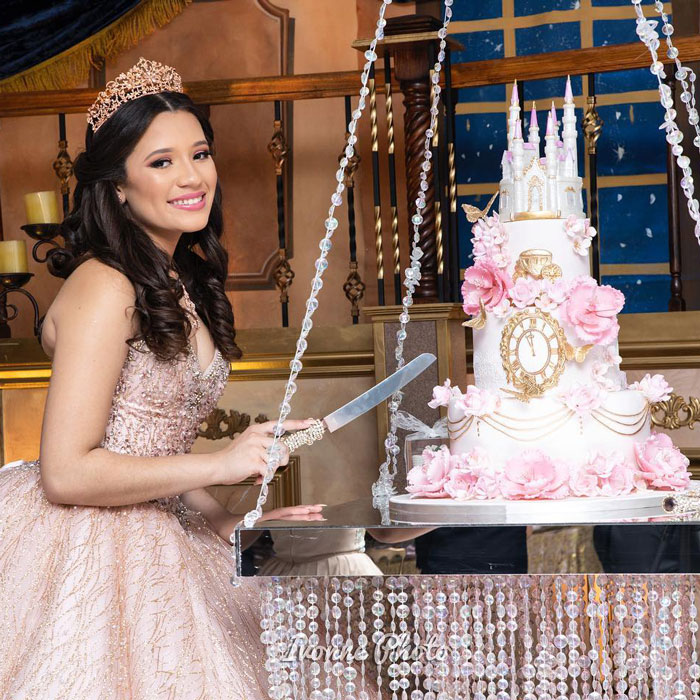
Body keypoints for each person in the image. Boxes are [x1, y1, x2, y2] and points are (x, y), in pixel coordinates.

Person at [0, 57, 324, 699]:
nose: (191, 176)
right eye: (161, 161)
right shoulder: (105, 284)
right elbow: (67, 473)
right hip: (86, 552)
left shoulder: (181, 281)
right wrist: (221, 463)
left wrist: (228, 526)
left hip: (159, 532)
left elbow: (151, 456)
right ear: (117, 186)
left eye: (199, 154)